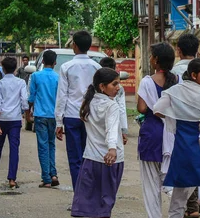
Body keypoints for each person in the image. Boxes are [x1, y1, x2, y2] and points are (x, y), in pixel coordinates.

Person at [154, 57, 200, 218]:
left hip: (182, 148)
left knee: (179, 196)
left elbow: (157, 110)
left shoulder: (174, 93)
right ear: (193, 75)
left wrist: (175, 116)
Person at [71, 68, 124, 218]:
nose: (118, 88)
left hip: (91, 159)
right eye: (114, 84)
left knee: (99, 203)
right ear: (102, 87)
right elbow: (110, 129)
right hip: (110, 161)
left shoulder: (89, 102)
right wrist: (112, 148)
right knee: (104, 204)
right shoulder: (111, 106)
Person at [172, 33, 200, 218]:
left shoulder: (173, 79)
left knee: (181, 189)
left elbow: (158, 109)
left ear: (178, 50)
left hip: (184, 138)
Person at [137, 43, 178, 218]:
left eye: (151, 56)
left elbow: (142, 109)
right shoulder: (177, 81)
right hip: (171, 135)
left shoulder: (147, 81)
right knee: (169, 179)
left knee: (150, 182)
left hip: (151, 134)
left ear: (157, 60)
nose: (150, 58)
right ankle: (177, 217)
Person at [55, 31, 101, 188]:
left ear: (74, 45)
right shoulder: (97, 67)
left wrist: (58, 122)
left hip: (72, 116)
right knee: (91, 156)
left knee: (75, 158)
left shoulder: (67, 67)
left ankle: (78, 195)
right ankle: (89, 193)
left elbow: (62, 95)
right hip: (91, 117)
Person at [0, 57, 28, 189]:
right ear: (15, 69)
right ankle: (12, 179)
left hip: (2, 119)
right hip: (15, 119)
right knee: (14, 148)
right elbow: (24, 101)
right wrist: (26, 113)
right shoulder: (20, 83)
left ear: (3, 69)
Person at [28, 50, 60, 188]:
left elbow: (31, 97)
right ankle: (53, 174)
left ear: (42, 61)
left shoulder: (36, 76)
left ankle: (46, 178)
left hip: (40, 115)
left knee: (43, 146)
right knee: (51, 145)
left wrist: (28, 111)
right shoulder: (58, 77)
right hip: (54, 115)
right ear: (55, 63)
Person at [100, 57, 128, 144]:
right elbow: (122, 109)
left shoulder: (96, 86)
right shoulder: (119, 88)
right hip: (114, 126)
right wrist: (124, 129)